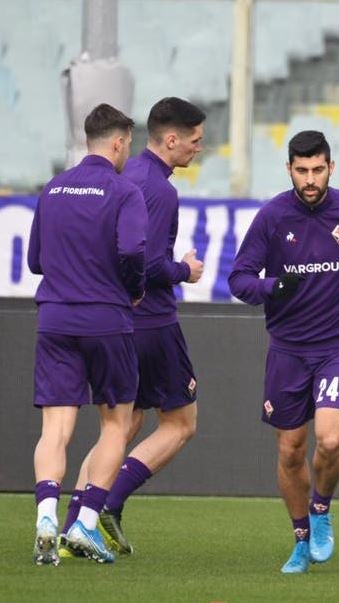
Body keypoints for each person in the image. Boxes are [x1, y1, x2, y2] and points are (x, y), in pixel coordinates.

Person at [228, 130, 339, 574]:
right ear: (289, 170)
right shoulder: (271, 218)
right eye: (301, 171)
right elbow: (239, 279)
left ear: (330, 168)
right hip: (287, 349)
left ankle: (321, 508)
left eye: (317, 170)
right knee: (290, 450)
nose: (310, 179)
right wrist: (272, 287)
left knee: (330, 437)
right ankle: (300, 538)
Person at [54, 97, 207, 557]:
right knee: (180, 422)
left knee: (121, 425)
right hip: (153, 320)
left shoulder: (126, 176)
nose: (199, 149)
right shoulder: (159, 190)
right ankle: (107, 504)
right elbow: (148, 263)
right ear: (172, 139)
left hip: (116, 321)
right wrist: (185, 271)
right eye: (195, 141)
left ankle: (70, 528)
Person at [29, 103, 146, 565]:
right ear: (117, 143)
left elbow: (36, 260)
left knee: (55, 428)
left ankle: (44, 515)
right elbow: (134, 249)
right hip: (106, 320)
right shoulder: (124, 191)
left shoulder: (53, 188)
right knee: (116, 424)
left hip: (55, 319)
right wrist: (133, 289)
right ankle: (84, 524)